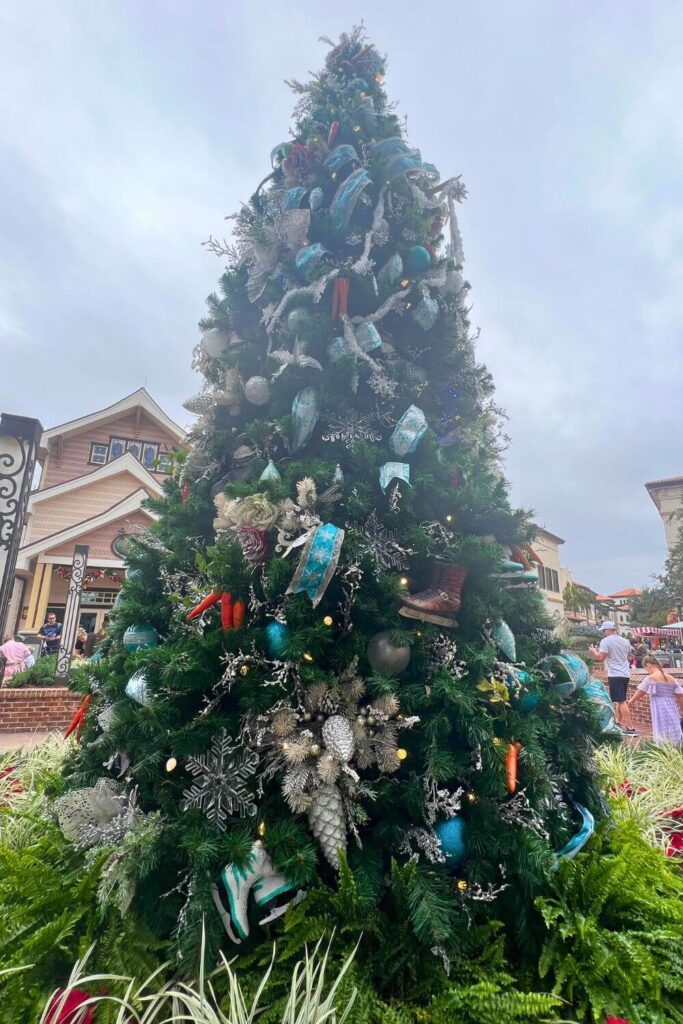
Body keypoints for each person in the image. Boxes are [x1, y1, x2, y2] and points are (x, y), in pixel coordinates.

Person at [589, 621, 637, 735]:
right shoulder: (625, 641)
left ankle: (630, 728)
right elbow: (629, 656)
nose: (604, 633)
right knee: (619, 699)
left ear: (607, 630)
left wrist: (593, 651)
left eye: (604, 630)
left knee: (621, 700)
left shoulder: (606, 641)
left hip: (615, 674)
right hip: (625, 673)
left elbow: (600, 657)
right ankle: (617, 722)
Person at [628, 655, 683, 746]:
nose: (647, 671)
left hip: (659, 707)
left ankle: (663, 746)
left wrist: (631, 700)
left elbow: (641, 691)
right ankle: (676, 745)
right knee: (673, 724)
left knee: (661, 727)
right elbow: (680, 695)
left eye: (646, 668)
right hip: (672, 706)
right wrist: (681, 709)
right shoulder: (671, 678)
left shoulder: (651, 678)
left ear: (648, 665)